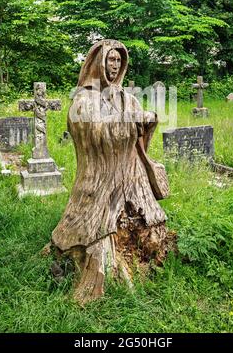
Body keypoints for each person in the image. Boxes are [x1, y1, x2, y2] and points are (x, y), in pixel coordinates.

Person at [50, 39, 169, 304]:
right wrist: (129, 123)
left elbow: (139, 131)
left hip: (131, 177)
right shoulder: (84, 99)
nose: (114, 66)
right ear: (98, 63)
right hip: (100, 183)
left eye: (118, 61)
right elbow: (92, 133)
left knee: (151, 224)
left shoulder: (128, 98)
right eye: (110, 60)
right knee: (100, 230)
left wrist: (148, 120)